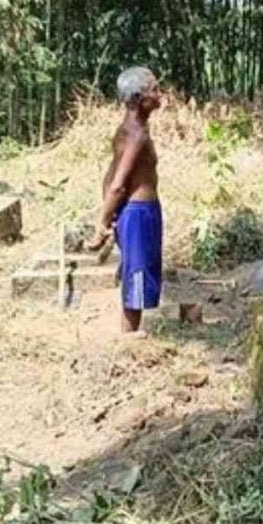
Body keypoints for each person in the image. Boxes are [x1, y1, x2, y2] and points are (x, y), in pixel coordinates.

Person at [88, 67, 164, 335]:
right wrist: (103, 220)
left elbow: (110, 176)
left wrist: (109, 213)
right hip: (139, 214)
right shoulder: (136, 135)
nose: (159, 94)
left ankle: (129, 336)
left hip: (136, 213)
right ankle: (130, 341)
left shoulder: (130, 129)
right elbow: (119, 183)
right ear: (137, 98)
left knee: (136, 275)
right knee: (137, 279)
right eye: (153, 89)